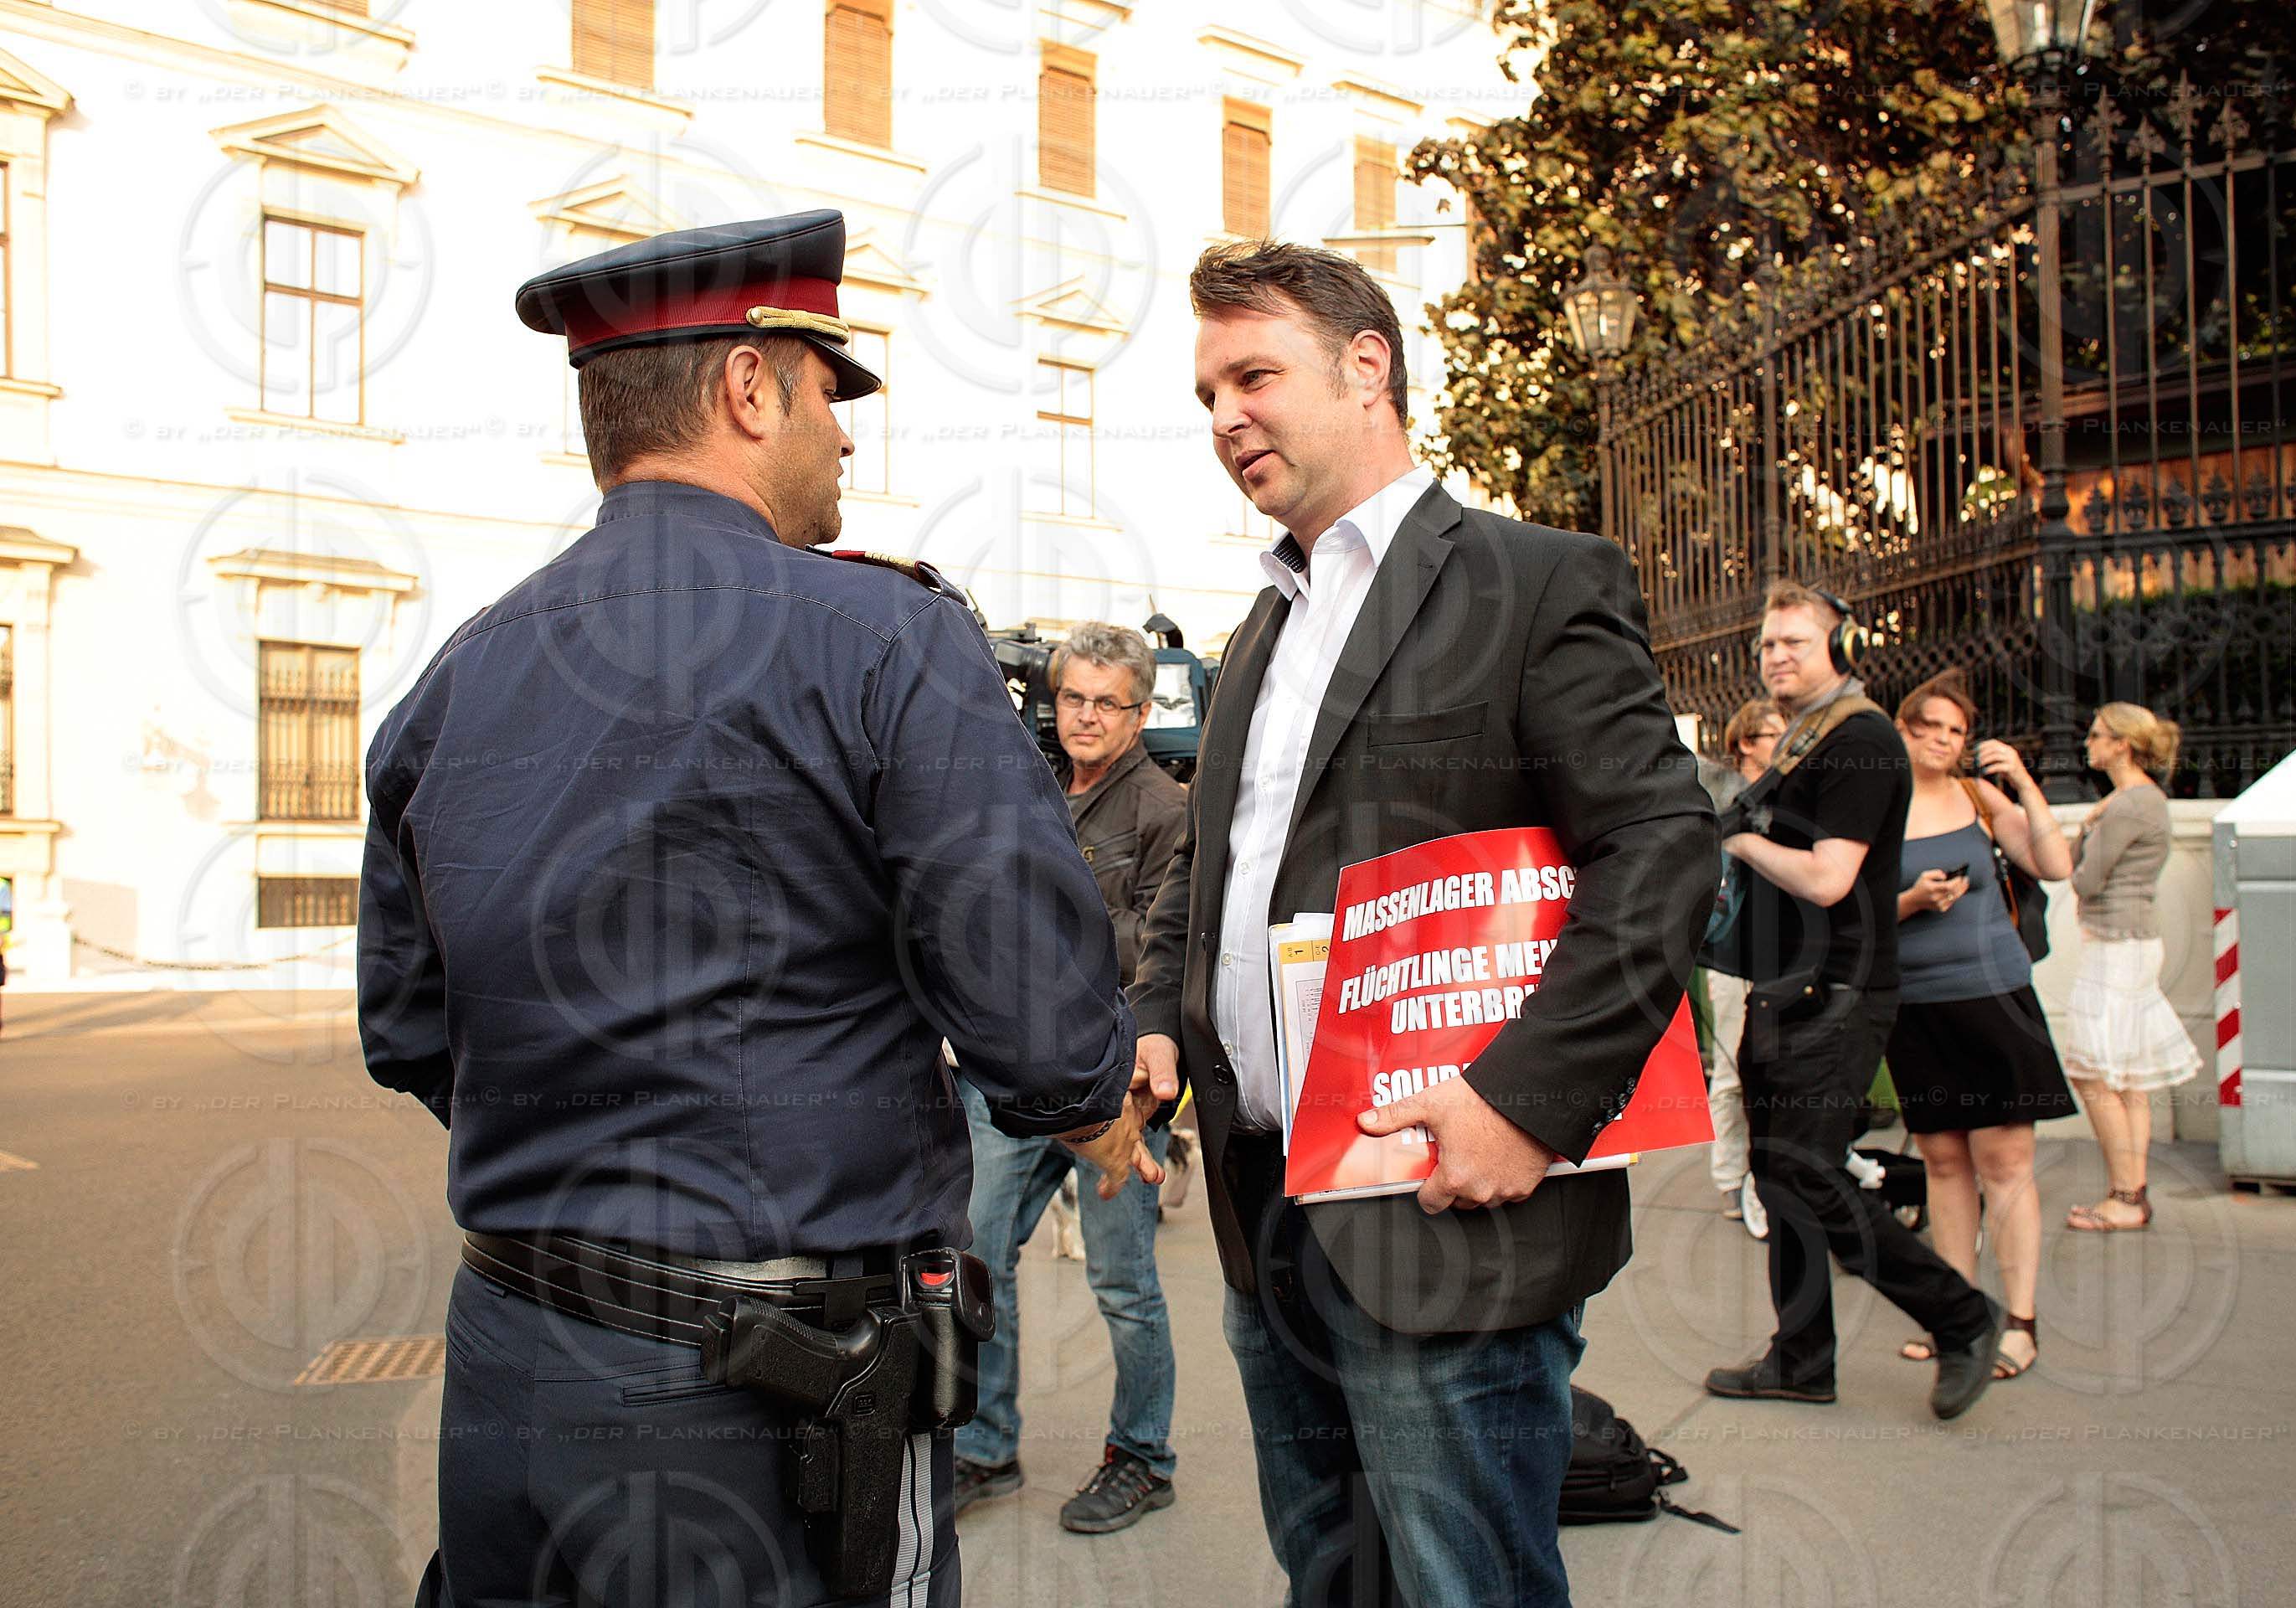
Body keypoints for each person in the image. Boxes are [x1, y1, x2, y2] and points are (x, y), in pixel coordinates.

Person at [358, 210, 1160, 1608]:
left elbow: (413, 1034)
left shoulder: (455, 679)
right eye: (827, 392)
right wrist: (1099, 1094)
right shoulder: (884, 639)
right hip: (781, 1397)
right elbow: (1036, 1020)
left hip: (518, 1368)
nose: (846, 436)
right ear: (745, 389)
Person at [1130, 240, 1717, 1608]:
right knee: (1328, 1578)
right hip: (1263, 1206)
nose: (1224, 415)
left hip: (1445, 1214)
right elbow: (1216, 874)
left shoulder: (1532, 581)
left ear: (1367, 366)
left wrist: (1526, 1102)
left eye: (1254, 374)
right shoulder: (1259, 634)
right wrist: (1160, 1019)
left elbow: (1661, 849)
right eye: (1207, 389)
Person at [1707, 581, 2000, 1420]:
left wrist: (1739, 837)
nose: (1777, 657)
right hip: (1786, 988)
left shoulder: (1864, 741)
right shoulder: (1808, 737)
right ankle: (1801, 1358)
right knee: (1780, 1176)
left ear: (1839, 646)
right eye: (1768, 644)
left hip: (1836, 991)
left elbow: (1831, 877)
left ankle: (1959, 1313)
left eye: (1796, 642)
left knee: (1810, 1171)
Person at [955, 623, 1186, 1533]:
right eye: (1073, 697)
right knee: (979, 1257)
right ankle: (984, 1448)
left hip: (1112, 1078)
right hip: (1012, 1071)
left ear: (1138, 712)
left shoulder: (1166, 812)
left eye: (1107, 701)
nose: (1085, 716)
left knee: (1123, 1282)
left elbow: (1161, 952)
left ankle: (1143, 1456)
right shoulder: (1033, 788)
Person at [1882, 673, 2077, 1380]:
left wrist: (2023, 782)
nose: (1941, 739)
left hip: (1994, 1000)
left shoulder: (1977, 796)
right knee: (1942, 1164)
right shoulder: (1877, 806)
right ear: (1902, 729)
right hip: (1915, 1005)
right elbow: (1857, 913)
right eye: (1928, 725)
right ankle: (1956, 1317)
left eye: (1956, 732)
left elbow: (2054, 865)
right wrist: (1909, 901)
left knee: (2006, 1167)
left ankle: (2019, 1323)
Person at [2062, 702, 2201, 1232]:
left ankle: (2125, 1195)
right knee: (2128, 1078)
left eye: (2097, 735)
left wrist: (2085, 833)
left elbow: (2084, 879)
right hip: (2131, 943)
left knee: (2093, 1073)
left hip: (2116, 948)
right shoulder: (2138, 801)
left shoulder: (2129, 805)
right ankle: (2130, 1194)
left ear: (2122, 743)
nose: (2088, 743)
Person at [1706, 698, 1784, 1235]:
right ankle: (1733, 1177)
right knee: (1733, 1070)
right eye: (1771, 732)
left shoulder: (1791, 798)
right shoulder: (1726, 797)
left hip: (1782, 950)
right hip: (1735, 952)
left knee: (1768, 1070)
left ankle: (1761, 1174)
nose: (1783, 738)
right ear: (1745, 744)